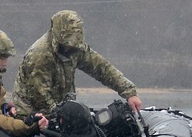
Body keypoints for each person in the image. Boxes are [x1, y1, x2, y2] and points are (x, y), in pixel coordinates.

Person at [13, 10, 142, 116]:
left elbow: (102, 68)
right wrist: (62, 117)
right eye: (68, 43)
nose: (70, 47)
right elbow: (39, 95)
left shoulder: (76, 49)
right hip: (31, 114)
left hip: (60, 110)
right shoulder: (40, 55)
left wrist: (129, 92)